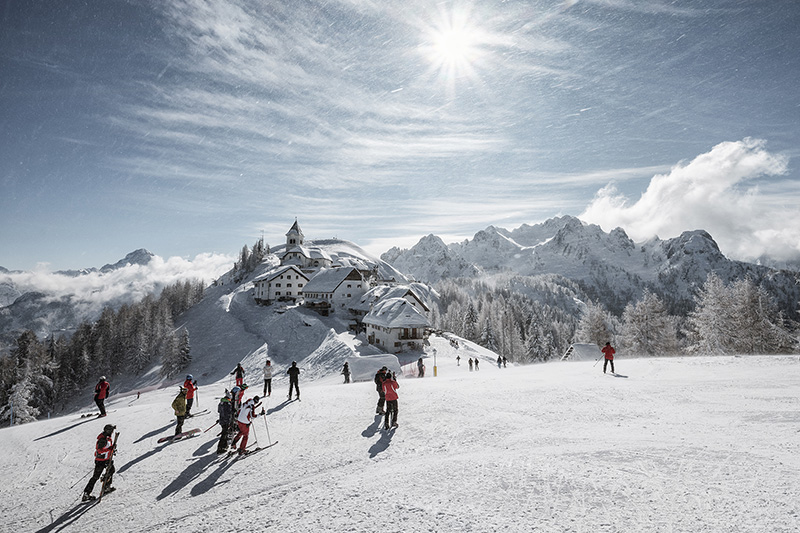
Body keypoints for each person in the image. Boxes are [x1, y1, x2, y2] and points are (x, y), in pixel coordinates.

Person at [82, 424, 116, 501]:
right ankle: (86, 493)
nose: (112, 432)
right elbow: (100, 450)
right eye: (112, 431)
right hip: (101, 461)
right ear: (108, 431)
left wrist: (111, 450)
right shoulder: (102, 439)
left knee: (111, 470)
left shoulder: (108, 438)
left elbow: (107, 448)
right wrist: (110, 449)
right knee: (95, 477)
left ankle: (107, 486)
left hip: (106, 459)